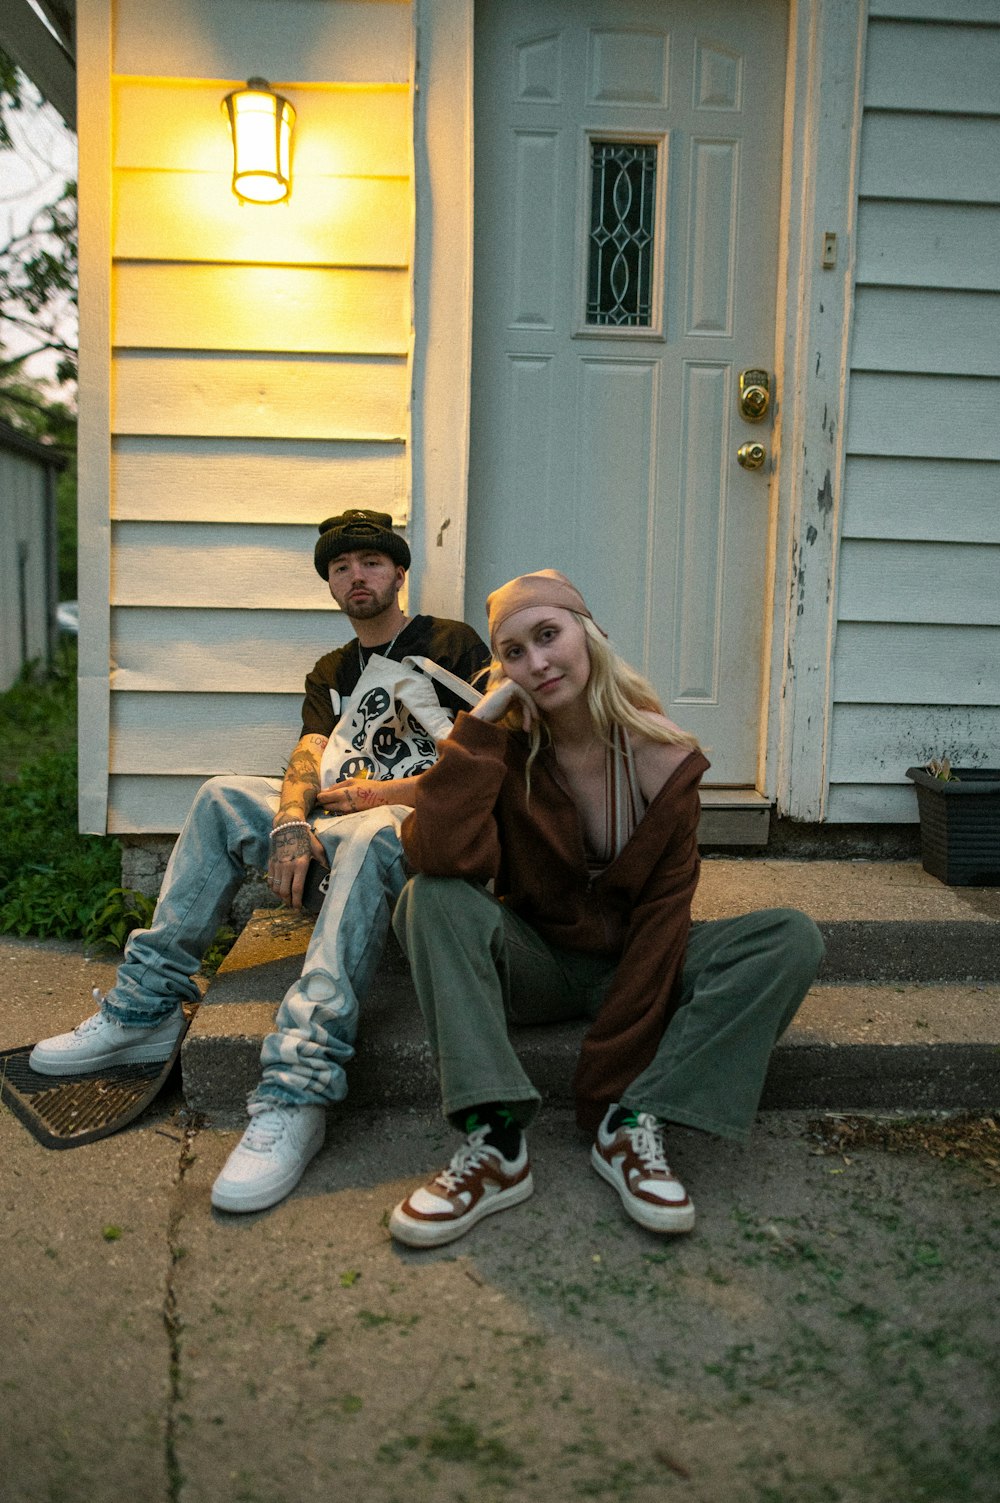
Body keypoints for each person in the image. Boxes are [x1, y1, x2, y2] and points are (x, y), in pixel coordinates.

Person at [31, 510, 490, 1213]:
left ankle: (297, 1085)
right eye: (340, 567)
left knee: (370, 833)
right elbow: (309, 755)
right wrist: (287, 818)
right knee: (221, 795)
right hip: (340, 827)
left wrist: (376, 792)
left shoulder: (450, 643)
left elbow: (485, 762)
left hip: (416, 840)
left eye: (370, 562)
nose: (355, 576)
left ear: (399, 572)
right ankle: (144, 1007)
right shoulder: (330, 672)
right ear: (330, 585)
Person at [388, 569, 824, 1248]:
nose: (536, 662)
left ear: (587, 634)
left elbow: (663, 920)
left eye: (548, 635)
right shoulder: (501, 746)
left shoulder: (664, 756)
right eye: (513, 651)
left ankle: (634, 1126)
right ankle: (496, 1141)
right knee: (431, 897)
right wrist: (475, 731)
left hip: (642, 960)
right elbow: (438, 853)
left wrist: (610, 1092)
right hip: (540, 961)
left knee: (788, 937)